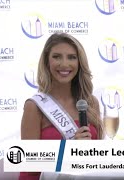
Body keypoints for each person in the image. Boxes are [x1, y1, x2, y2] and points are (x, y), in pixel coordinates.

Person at [19, 33, 103, 180]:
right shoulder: (35, 107)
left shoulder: (90, 103)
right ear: (46, 62)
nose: (64, 64)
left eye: (72, 57)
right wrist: (70, 151)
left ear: (79, 62)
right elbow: (30, 166)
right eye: (57, 56)